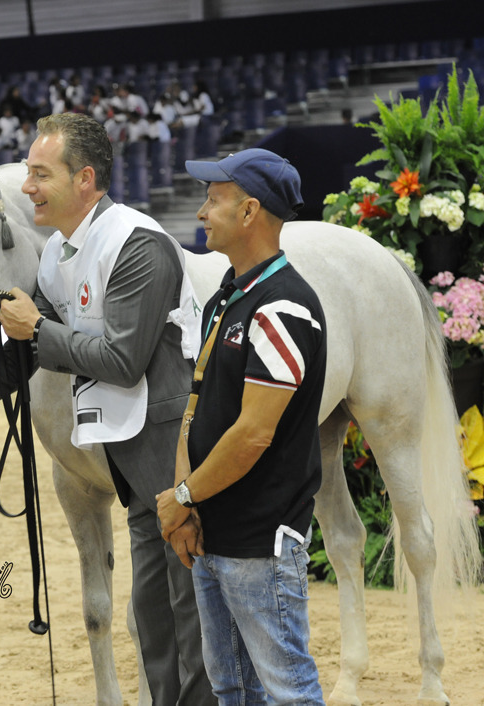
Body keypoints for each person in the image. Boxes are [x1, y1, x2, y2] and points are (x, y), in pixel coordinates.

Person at [0, 113, 214, 706]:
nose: (27, 185)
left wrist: (36, 327)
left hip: (170, 459)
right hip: (131, 465)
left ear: (84, 179)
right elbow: (20, 359)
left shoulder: (138, 244)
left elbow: (122, 360)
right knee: (156, 622)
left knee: (189, 623)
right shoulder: (60, 252)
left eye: (40, 173)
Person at [156, 148, 326, 705]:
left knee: (286, 690)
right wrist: (188, 507)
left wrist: (184, 495)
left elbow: (253, 435)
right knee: (232, 688)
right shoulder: (230, 296)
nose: (202, 211)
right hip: (213, 530)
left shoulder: (282, 308)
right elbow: (195, 409)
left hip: (259, 537)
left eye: (214, 199)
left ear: (250, 211)